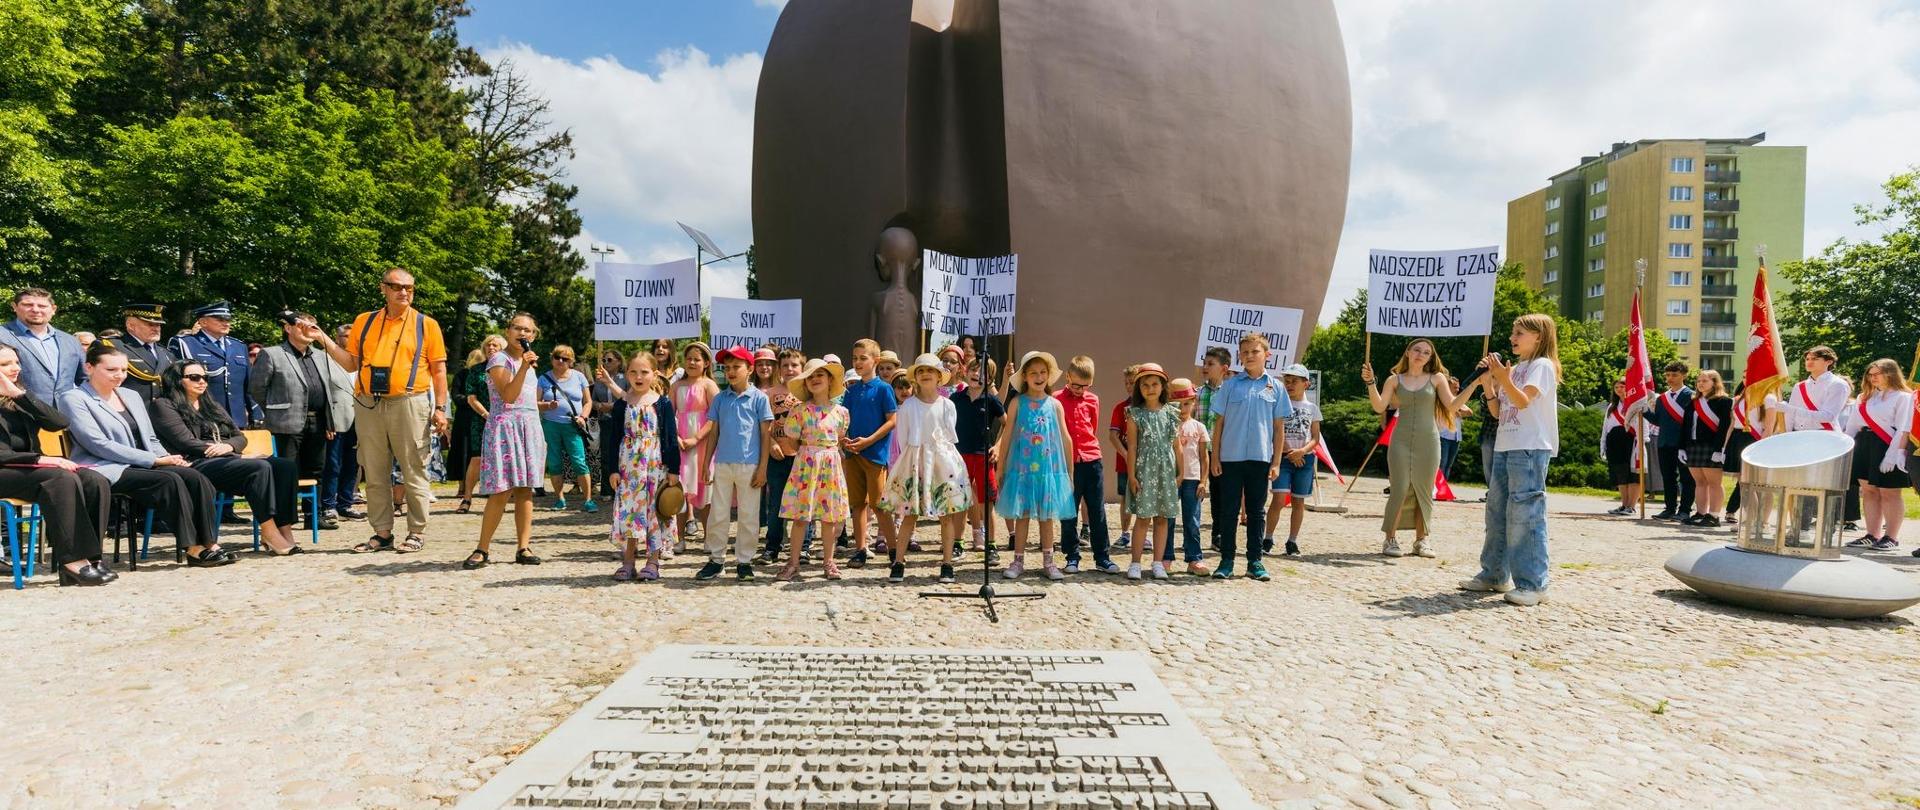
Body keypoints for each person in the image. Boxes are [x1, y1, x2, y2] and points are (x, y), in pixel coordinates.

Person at [308, 267, 451, 555]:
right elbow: (350, 364)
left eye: (409, 288)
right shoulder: (365, 321)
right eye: (397, 287)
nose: (404, 292)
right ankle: (382, 533)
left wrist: (440, 408)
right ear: (382, 288)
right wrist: (322, 338)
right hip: (368, 402)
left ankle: (416, 532)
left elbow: (439, 370)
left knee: (414, 470)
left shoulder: (427, 324)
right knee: (374, 472)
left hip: (410, 401)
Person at [58, 343, 228, 567]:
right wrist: (154, 461)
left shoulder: (131, 395)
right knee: (169, 480)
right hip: (104, 466)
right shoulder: (74, 398)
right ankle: (192, 548)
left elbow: (150, 438)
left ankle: (209, 542)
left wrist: (170, 458)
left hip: (144, 462)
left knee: (194, 477)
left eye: (124, 370)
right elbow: (97, 444)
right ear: (89, 368)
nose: (119, 375)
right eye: (111, 370)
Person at [151, 362, 304, 554]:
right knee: (258, 467)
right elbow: (185, 442)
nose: (202, 382)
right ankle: (269, 531)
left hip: (227, 459)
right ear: (176, 380)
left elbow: (239, 436)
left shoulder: (210, 404)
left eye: (204, 377)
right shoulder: (163, 405)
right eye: (194, 377)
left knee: (284, 467)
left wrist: (230, 447)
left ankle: (285, 531)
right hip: (196, 463)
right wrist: (233, 454)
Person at [1462, 314, 1561, 606]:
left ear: (1538, 337)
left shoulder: (1542, 366)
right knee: (1496, 511)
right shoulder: (1516, 368)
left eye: (1519, 332)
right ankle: (1494, 574)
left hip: (1530, 447)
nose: (1512, 337)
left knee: (1525, 515)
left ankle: (1534, 583)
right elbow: (1498, 413)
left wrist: (1503, 379)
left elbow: (1523, 401)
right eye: (1513, 332)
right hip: (1506, 444)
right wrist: (1489, 387)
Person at [0, 343, 115, 585]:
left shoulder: (18, 397)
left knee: (94, 480)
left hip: (27, 470)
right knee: (59, 477)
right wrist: (40, 459)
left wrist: (21, 395)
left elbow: (58, 422)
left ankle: (91, 558)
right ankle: (72, 560)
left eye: (16, 363)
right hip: (7, 470)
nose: (14, 369)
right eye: (4, 364)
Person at [1362, 338, 1461, 558]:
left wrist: (1474, 384)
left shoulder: (1436, 379)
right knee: (1400, 488)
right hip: (1401, 440)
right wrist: (1371, 384)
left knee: (1424, 491)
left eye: (1426, 352)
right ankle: (1390, 539)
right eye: (1417, 350)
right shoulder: (1393, 380)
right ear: (1408, 353)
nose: (1420, 354)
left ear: (1430, 358)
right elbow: (1379, 406)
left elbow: (1452, 406)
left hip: (1429, 441)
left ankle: (1422, 540)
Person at [249, 311, 346, 530]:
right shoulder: (272, 354)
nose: (310, 330)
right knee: (287, 470)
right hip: (285, 422)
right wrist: (276, 410)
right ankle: (286, 517)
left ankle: (314, 515)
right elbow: (257, 388)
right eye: (304, 326)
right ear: (288, 328)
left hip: (318, 421)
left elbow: (327, 390)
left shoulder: (320, 355)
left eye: (314, 326)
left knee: (317, 470)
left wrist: (330, 421)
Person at [464, 314, 547, 569]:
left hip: (528, 426)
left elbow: (527, 399)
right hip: (505, 426)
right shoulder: (499, 359)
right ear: (508, 331)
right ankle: (482, 548)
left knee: (525, 489)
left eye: (528, 330)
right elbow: (509, 395)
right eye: (518, 328)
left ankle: (524, 546)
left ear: (534, 335)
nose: (523, 333)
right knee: (501, 489)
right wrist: (523, 366)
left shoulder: (530, 364)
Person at [1209, 334, 1292, 581]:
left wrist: (1276, 461)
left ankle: (1255, 561)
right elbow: (1219, 424)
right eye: (1244, 352)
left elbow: (1279, 429)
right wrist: (1215, 457)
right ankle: (1226, 560)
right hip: (1230, 458)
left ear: (1267, 355)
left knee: (1256, 512)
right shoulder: (1230, 385)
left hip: (1260, 459)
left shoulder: (1275, 387)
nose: (1248, 356)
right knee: (1229, 510)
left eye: (1254, 351)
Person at [886, 353, 972, 584]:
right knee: (909, 514)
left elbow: (950, 435)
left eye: (930, 371)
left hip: (942, 462)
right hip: (915, 462)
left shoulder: (947, 405)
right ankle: (899, 562)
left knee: (946, 515)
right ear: (916, 377)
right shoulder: (908, 407)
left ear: (939, 377)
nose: (925, 375)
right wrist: (911, 460)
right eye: (921, 371)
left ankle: (946, 563)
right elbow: (903, 438)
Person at [995, 351, 1075, 581]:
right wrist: (1000, 467)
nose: (1039, 377)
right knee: (1022, 515)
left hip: (1048, 472)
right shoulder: (1017, 403)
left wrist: (1069, 471)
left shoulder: (1055, 405)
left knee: (1046, 517)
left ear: (1048, 376)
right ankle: (1018, 560)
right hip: (1022, 471)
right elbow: (1007, 434)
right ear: (1025, 378)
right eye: (1033, 373)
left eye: (1043, 372)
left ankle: (1048, 562)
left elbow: (1065, 438)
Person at [695, 346, 773, 582]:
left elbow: (766, 435)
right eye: (726, 367)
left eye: (736, 367)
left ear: (750, 369)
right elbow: (714, 431)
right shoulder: (720, 398)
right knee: (718, 512)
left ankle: (744, 561)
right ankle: (717, 559)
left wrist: (762, 467)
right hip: (723, 463)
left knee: (749, 514)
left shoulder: (759, 398)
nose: (730, 371)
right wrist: (707, 461)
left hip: (750, 465)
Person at [605, 352, 680, 581]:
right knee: (629, 512)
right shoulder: (621, 405)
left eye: (644, 372)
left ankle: (653, 561)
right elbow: (613, 438)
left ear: (654, 374)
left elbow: (669, 437)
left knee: (654, 512)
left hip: (654, 466)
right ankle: (628, 562)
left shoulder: (662, 403)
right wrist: (612, 469)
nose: (638, 377)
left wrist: (674, 470)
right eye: (633, 372)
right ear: (627, 374)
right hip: (628, 467)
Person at [775, 358, 852, 581]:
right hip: (806, 465)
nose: (815, 379)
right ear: (805, 383)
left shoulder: (841, 412)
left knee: (829, 518)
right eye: (810, 376)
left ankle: (829, 562)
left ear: (830, 380)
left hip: (830, 464)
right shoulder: (799, 410)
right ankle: (793, 562)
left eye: (820, 375)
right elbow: (791, 440)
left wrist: (826, 454)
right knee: (800, 517)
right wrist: (808, 453)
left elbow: (839, 438)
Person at [1766, 346, 1857, 529]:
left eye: (1815, 358)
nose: (1809, 361)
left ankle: (1826, 528)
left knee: (1824, 485)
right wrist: (1786, 438)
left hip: (1826, 438)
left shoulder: (1837, 384)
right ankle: (1800, 527)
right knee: (1800, 484)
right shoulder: (1801, 386)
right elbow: (1790, 417)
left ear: (1829, 362)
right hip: (1801, 438)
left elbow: (1828, 416)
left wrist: (1789, 409)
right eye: (1807, 358)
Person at [841, 339, 898, 568]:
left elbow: (892, 420)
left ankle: (895, 551)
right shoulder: (851, 391)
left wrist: (869, 441)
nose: (858, 362)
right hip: (853, 454)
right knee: (857, 504)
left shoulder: (884, 388)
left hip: (874, 454)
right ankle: (861, 549)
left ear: (875, 360)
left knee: (878, 504)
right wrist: (845, 438)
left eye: (863, 358)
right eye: (855, 358)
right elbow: (844, 420)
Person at [1054, 356, 1114, 574]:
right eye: (1076, 385)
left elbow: (1093, 427)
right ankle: (1072, 556)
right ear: (1068, 377)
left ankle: (1102, 557)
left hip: (1091, 460)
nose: (1080, 390)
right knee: (1069, 510)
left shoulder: (1093, 399)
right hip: (1067, 464)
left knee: (1097, 510)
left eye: (1085, 386)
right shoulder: (1056, 399)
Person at [1846, 359, 1912, 550]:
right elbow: (1853, 424)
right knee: (1868, 491)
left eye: (1877, 374)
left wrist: (1893, 455)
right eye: (1870, 374)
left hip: (1888, 444)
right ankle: (1871, 534)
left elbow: (1902, 428)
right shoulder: (1864, 397)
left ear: (1890, 373)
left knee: (1890, 492)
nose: (1872, 377)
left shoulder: (1903, 397)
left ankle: (1891, 537)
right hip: (1865, 443)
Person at [1123, 363, 1178, 581]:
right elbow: (1133, 447)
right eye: (1145, 385)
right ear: (1139, 389)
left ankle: (1157, 563)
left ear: (1163, 386)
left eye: (1155, 384)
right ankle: (1135, 563)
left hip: (1166, 472)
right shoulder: (1135, 414)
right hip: (1144, 471)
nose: (1150, 388)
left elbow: (1176, 445)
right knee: (1143, 518)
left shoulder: (1171, 413)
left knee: (1162, 518)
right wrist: (1131, 475)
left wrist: (1180, 472)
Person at [169, 301, 256, 426]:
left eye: (228, 319)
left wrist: (255, 415)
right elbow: (177, 383)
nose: (226, 322)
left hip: (237, 420)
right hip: (203, 417)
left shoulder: (239, 346)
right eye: (220, 319)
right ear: (203, 322)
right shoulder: (187, 343)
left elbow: (249, 386)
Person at [952, 355, 1005, 559]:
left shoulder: (991, 400)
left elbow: (1006, 424)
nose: (977, 375)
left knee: (986, 503)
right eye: (974, 369)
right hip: (959, 457)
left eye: (984, 372)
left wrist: (998, 446)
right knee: (960, 502)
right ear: (965, 371)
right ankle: (958, 543)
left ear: (990, 379)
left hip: (983, 456)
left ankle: (991, 545)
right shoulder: (956, 399)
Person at [1269, 364, 1322, 557]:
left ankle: (1292, 541)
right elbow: (1274, 431)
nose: (1289, 385)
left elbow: (1316, 437)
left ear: (1305, 384)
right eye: (1287, 381)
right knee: (1279, 499)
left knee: (1299, 502)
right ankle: (1268, 538)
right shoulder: (1279, 403)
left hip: (1304, 460)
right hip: (1282, 458)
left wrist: (1302, 451)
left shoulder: (1312, 408)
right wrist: (1290, 452)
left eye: (1294, 381)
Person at [536, 344, 597, 512]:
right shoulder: (543, 378)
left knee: (579, 462)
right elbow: (536, 403)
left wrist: (583, 417)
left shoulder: (579, 377)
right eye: (557, 357)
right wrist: (548, 405)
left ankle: (588, 500)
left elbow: (588, 401)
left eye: (565, 358)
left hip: (573, 425)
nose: (560, 361)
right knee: (555, 463)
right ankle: (560, 499)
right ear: (552, 359)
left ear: (571, 361)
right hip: (551, 425)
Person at [0, 287, 86, 404]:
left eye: (42, 306)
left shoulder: (70, 341)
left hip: (66, 414)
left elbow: (85, 379)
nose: (35, 310)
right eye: (27, 305)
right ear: (14, 307)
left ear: (53, 309)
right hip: (17, 414)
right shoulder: (2, 335)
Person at [755, 347, 800, 563]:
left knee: (802, 504)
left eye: (794, 365)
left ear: (802, 367)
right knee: (776, 504)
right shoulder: (770, 394)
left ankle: (804, 546)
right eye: (785, 366)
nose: (790, 369)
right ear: (778, 369)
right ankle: (773, 546)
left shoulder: (808, 393)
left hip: (802, 457)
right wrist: (771, 442)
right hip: (777, 456)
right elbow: (764, 426)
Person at [1163, 378, 1211, 575]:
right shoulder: (1166, 424)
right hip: (1171, 478)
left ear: (1194, 402)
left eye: (1186, 403)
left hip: (1193, 479)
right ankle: (1165, 557)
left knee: (1192, 520)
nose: (1182, 408)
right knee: (1168, 519)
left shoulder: (1199, 427)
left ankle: (1194, 559)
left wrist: (1203, 481)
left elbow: (1204, 457)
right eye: (1177, 404)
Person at [456, 336, 507, 513]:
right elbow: (471, 398)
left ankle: (505, 498)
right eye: (488, 345)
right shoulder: (476, 370)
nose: (491, 347)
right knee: (477, 459)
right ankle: (467, 498)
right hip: (481, 419)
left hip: (506, 419)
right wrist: (487, 414)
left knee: (506, 458)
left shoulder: (511, 367)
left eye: (495, 345)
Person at [1679, 370, 1734, 527]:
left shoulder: (1724, 401)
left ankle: (1714, 515)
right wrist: (1682, 447)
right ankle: (1701, 513)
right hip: (1693, 446)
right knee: (1699, 482)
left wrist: (1720, 449)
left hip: (1711, 446)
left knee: (1714, 482)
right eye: (1699, 381)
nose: (1700, 383)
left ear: (1714, 382)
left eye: (1705, 380)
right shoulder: (1693, 402)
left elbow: (1724, 427)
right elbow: (1686, 426)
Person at [321, 323, 364, 522]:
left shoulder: (363, 360)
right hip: (336, 419)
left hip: (361, 420)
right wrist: (326, 420)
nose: (352, 339)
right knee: (332, 464)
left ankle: (346, 502)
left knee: (352, 464)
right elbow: (321, 392)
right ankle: (328, 505)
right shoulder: (324, 359)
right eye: (347, 336)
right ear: (337, 338)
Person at [1647, 361, 1697, 522]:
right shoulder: (1662, 398)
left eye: (1674, 375)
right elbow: (1659, 421)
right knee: (1668, 477)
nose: (1670, 378)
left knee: (1686, 478)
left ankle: (1684, 510)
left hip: (1683, 444)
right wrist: (1644, 411)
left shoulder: (1691, 395)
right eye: (1667, 375)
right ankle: (1669, 508)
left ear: (1684, 375)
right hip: (1664, 442)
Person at [97, 303, 176, 404]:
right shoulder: (110, 346)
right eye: (150, 324)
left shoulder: (166, 352)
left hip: (161, 414)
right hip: (126, 410)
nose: (156, 328)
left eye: (158, 325)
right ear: (131, 326)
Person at [1195, 346, 1230, 552]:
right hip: (1198, 452)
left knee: (1220, 494)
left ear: (1224, 369)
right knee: (1195, 491)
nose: (1205, 367)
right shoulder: (1197, 393)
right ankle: (1192, 533)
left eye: (1210, 364)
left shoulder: (1229, 394)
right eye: (1204, 363)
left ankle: (1218, 533)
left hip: (1219, 452)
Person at [1108, 365, 1141, 556]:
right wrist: (1126, 454)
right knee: (1125, 498)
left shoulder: (1148, 408)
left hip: (1145, 464)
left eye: (1133, 383)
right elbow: (1113, 436)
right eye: (1127, 383)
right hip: (1125, 462)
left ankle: (1141, 532)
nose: (1129, 386)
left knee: (1143, 498)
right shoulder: (1121, 408)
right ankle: (1125, 533)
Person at [1602, 382, 1648, 516]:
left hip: (1631, 441)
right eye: (1616, 387)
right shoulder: (1612, 406)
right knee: (1620, 474)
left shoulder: (1636, 404)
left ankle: (1631, 506)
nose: (1619, 390)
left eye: (1622, 386)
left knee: (1633, 474)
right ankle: (1624, 504)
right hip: (1615, 442)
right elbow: (1606, 426)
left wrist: (1642, 441)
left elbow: (1643, 424)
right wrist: (1603, 444)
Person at [589, 347, 629, 499]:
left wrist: (613, 406)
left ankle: (623, 489)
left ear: (619, 362)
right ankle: (606, 490)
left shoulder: (625, 379)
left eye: (609, 360)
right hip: (605, 421)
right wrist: (599, 406)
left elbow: (629, 398)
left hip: (622, 421)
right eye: (604, 360)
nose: (606, 363)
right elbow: (592, 400)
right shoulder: (599, 380)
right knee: (606, 454)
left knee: (622, 455)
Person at [448, 348, 484, 510]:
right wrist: (471, 401)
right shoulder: (462, 375)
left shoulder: (486, 373)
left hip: (481, 417)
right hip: (464, 417)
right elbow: (456, 396)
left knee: (480, 453)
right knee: (462, 451)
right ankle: (462, 486)